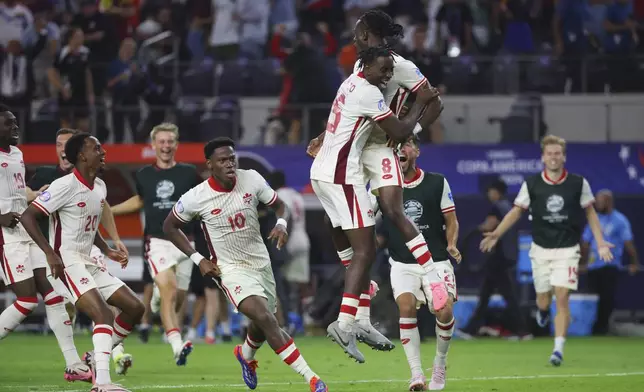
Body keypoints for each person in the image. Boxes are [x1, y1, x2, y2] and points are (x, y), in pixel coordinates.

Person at [307, 10, 446, 356]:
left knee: (391, 210)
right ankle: (360, 315)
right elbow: (352, 112)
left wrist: (409, 133)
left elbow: (434, 101)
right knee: (347, 230)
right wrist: (324, 136)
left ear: (368, 33)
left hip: (382, 146)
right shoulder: (363, 69)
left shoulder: (399, 67)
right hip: (353, 152)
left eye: (357, 33)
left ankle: (431, 277)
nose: (353, 39)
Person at [163, 137, 328, 391]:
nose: (230, 164)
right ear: (210, 165)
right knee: (266, 318)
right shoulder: (197, 197)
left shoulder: (251, 178)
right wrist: (199, 259)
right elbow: (169, 226)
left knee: (262, 322)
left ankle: (246, 356)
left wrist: (281, 224)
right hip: (229, 269)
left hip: (261, 264)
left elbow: (280, 206)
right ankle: (312, 379)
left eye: (232, 158)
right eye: (222, 161)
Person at [20, 132, 145, 392]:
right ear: (81, 155)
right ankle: (102, 382)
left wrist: (107, 249)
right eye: (96, 148)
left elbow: (90, 224)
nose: (103, 152)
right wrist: (50, 254)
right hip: (65, 262)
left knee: (135, 308)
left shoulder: (99, 186)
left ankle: (95, 355)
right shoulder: (63, 186)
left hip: (88, 260)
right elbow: (28, 217)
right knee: (102, 314)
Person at [480, 135, 614, 366]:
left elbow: (590, 213)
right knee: (543, 298)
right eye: (550, 153)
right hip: (540, 250)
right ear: (543, 157)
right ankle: (542, 311)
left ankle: (558, 348)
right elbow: (516, 211)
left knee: (562, 298)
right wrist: (496, 233)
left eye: (557, 153)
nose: (554, 157)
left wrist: (601, 242)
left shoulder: (578, 183)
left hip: (567, 250)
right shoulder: (532, 184)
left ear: (564, 156)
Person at [0, 105, 91, 383]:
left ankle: (74, 364)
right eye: (8, 124)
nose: (16, 127)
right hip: (6, 236)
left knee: (54, 296)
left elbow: (15, 191)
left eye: (16, 122)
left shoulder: (17, 153)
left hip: (26, 230)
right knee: (27, 301)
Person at [110, 123, 201, 365]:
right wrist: (109, 211)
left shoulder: (189, 173)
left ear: (176, 144)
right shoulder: (144, 175)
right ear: (153, 145)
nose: (166, 146)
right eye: (161, 141)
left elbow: (201, 201)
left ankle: (156, 302)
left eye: (170, 141)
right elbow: (139, 201)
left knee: (177, 299)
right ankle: (177, 346)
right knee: (169, 289)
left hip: (185, 242)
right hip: (157, 241)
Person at [375, 136, 460, 391]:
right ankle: (415, 374)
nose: (401, 150)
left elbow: (452, 220)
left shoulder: (436, 182)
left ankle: (440, 363)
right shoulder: (381, 186)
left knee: (444, 309)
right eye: (397, 147)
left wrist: (452, 244)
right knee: (406, 307)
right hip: (402, 262)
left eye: (407, 145)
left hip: (436, 260)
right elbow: (367, 220)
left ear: (417, 152)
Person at [457, 179, 531, 340]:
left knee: (506, 296)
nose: (489, 194)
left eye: (491, 191)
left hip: (499, 256)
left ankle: (523, 331)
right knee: (487, 294)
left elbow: (490, 225)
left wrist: (474, 230)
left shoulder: (497, 207)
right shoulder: (509, 207)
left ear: (496, 192)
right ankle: (471, 329)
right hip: (508, 254)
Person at [581, 189, 640, 335]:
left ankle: (602, 328)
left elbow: (628, 243)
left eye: (601, 201)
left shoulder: (620, 220)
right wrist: (582, 263)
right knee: (591, 299)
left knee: (606, 298)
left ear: (609, 201)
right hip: (593, 266)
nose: (598, 204)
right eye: (597, 201)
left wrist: (634, 262)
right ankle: (588, 327)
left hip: (610, 265)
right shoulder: (594, 219)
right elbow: (585, 243)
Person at [269, 170, 312, 330]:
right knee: (301, 285)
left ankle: (289, 320)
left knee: (284, 285)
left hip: (289, 241)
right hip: (303, 239)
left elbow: (287, 218)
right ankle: (305, 318)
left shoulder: (278, 195)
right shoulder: (296, 195)